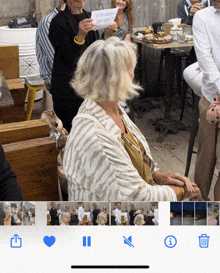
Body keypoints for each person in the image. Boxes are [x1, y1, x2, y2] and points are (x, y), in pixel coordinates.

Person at [63, 37, 201, 201]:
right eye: (130, 69)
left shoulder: (110, 107)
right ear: (114, 78)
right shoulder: (96, 135)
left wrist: (158, 175)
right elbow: (138, 197)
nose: (133, 74)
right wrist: (183, 191)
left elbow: (136, 155)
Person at [48, 0, 98, 132]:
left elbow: (94, 49)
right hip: (67, 90)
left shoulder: (89, 16)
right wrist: (80, 36)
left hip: (89, 85)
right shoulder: (58, 22)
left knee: (89, 130)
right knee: (71, 132)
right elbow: (69, 58)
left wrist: (108, 35)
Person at [193, 0, 220, 200]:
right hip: (211, 97)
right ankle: (198, 205)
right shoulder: (202, 18)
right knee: (205, 154)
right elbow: (205, 58)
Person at [36, 0, 65, 110]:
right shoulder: (48, 22)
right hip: (56, 78)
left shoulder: (74, 20)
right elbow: (55, 59)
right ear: (62, 1)